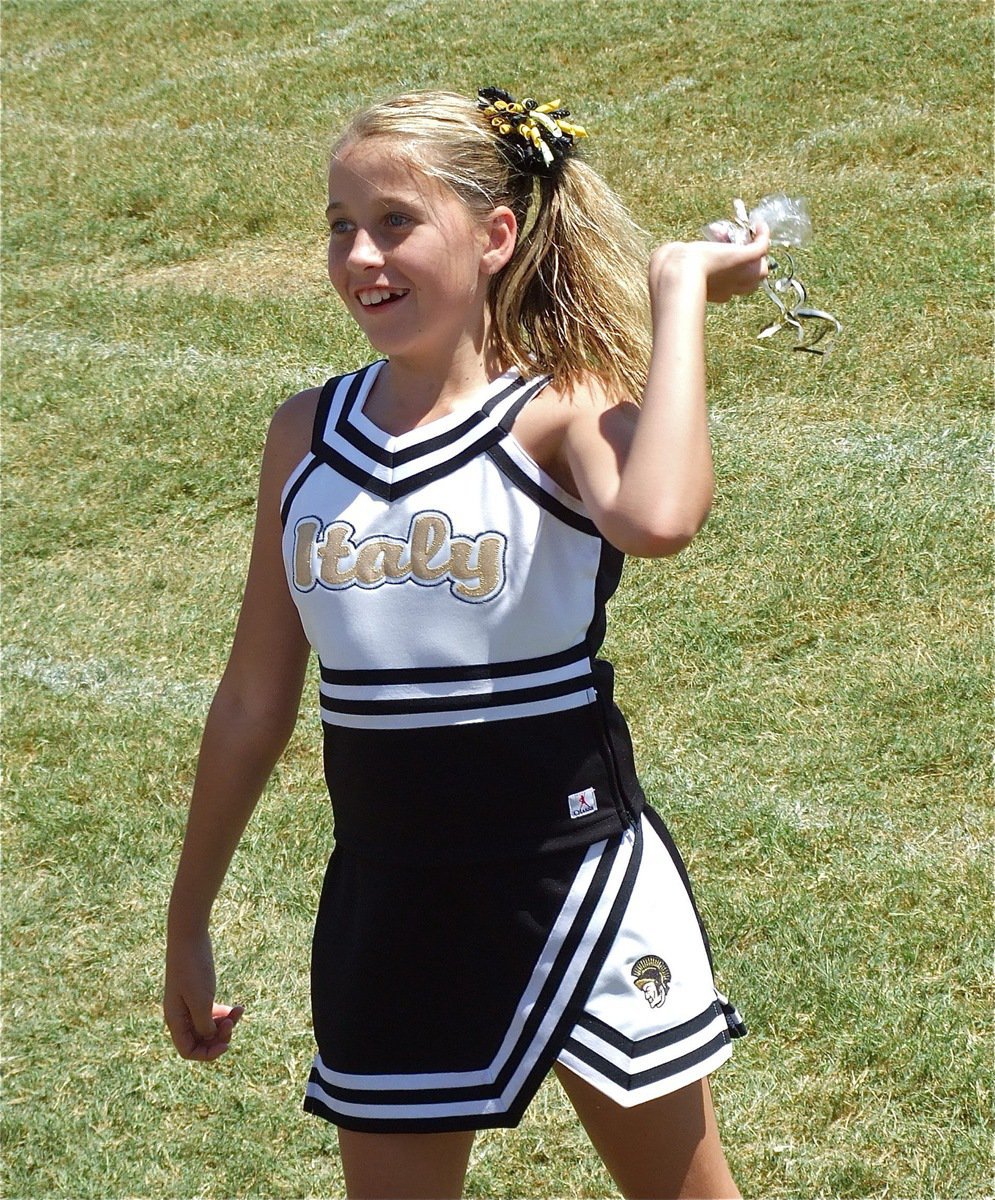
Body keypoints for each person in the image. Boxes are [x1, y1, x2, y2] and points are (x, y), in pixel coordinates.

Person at [163, 86, 770, 1200]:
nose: (360, 255)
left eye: (395, 221)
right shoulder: (305, 434)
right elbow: (255, 700)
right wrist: (188, 919)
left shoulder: (560, 410)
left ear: (495, 237)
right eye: (340, 225)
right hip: (391, 896)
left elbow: (660, 517)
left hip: (579, 881)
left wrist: (676, 293)